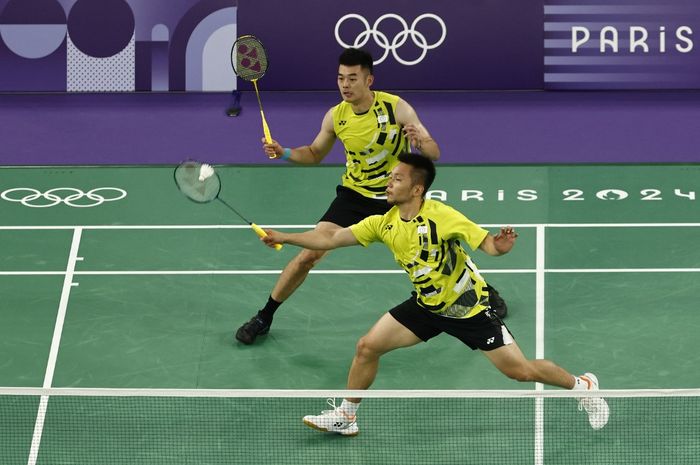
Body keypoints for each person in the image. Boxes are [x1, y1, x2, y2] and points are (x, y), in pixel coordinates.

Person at [260, 153, 610, 434]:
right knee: (367, 347)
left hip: (468, 310)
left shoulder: (442, 217)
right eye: (390, 176)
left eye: (397, 178)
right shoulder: (385, 222)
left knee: (519, 371)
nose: (388, 182)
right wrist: (284, 237)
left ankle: (583, 386)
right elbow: (331, 238)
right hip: (427, 306)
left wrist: (501, 246)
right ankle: (347, 416)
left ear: (417, 189)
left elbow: (488, 244)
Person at [235, 48, 507, 345]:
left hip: (395, 195)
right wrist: (284, 151)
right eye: (340, 78)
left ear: (369, 80)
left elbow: (434, 152)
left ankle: (483, 291)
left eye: (353, 78)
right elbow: (314, 154)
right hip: (354, 196)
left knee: (438, 245)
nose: (345, 85)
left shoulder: (397, 108)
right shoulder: (336, 116)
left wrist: (420, 143)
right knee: (309, 255)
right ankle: (265, 315)